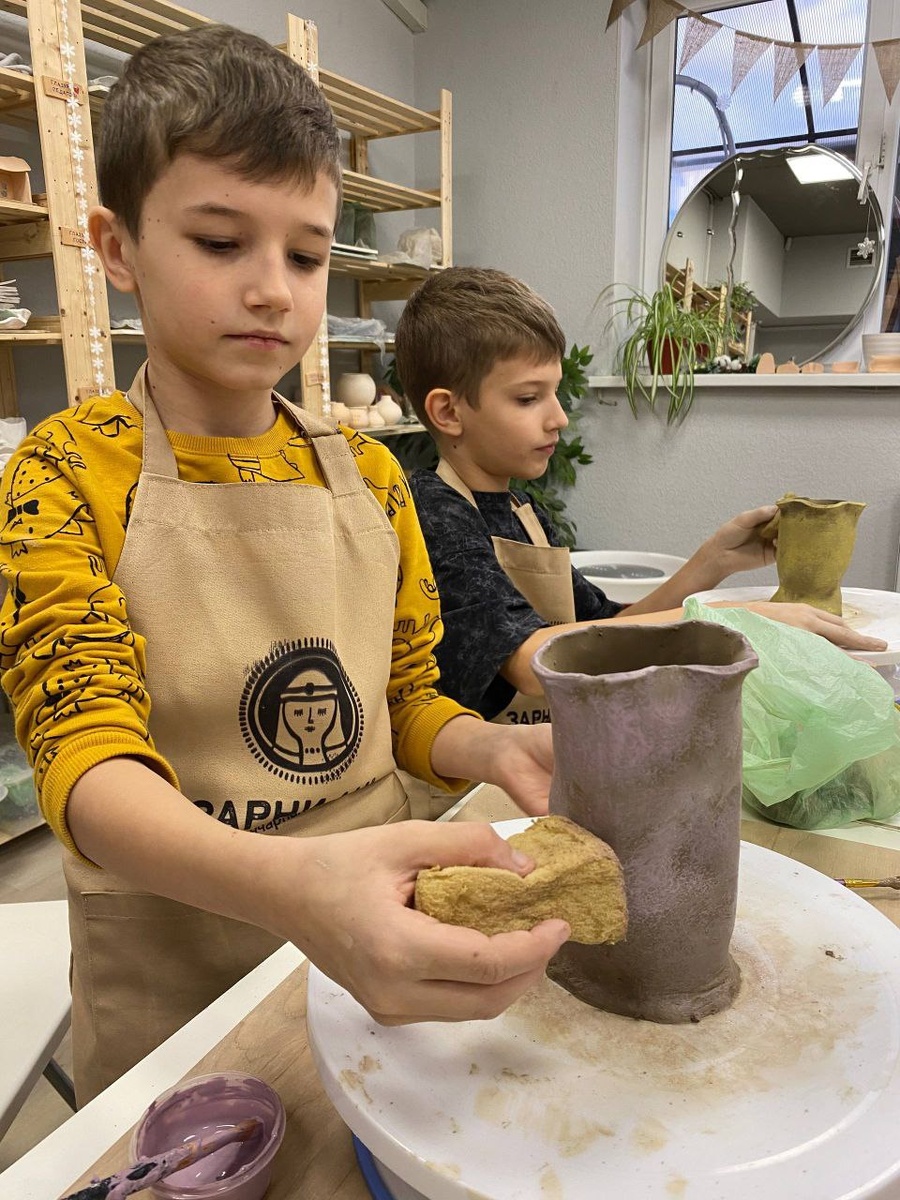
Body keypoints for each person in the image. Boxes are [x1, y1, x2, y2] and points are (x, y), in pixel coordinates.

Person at [0, 29, 570, 1104]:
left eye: (306, 257)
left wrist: (492, 745)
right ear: (117, 249)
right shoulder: (66, 473)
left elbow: (401, 703)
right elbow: (85, 760)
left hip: (382, 942)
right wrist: (292, 886)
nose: (273, 290)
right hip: (182, 985)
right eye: (221, 242)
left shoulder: (374, 477)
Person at [395, 267, 885, 722]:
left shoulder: (525, 513)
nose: (559, 418)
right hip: (481, 771)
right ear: (449, 412)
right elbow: (529, 661)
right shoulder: (434, 515)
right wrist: (736, 620)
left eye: (555, 393)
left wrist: (713, 561)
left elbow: (615, 626)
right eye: (528, 398)